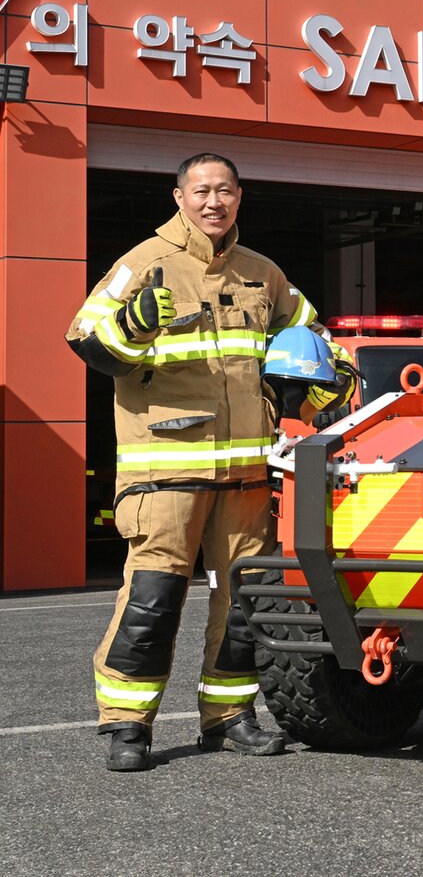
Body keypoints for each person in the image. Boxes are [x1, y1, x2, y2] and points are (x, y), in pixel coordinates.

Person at [67, 153, 352, 772]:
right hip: (164, 471)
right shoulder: (144, 263)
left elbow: (314, 340)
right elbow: (86, 338)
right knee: (152, 599)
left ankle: (228, 718)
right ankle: (128, 725)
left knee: (242, 603)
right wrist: (133, 324)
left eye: (224, 190)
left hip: (246, 475)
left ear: (239, 197)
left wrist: (335, 377)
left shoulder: (263, 274)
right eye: (200, 191)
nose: (213, 202)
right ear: (179, 197)